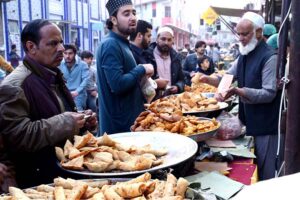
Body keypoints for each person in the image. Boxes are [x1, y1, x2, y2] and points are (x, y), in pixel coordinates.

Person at [0, 19, 97, 188]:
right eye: (53, 43)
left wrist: (82, 123)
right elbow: (18, 136)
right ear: (31, 47)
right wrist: (66, 122)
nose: (61, 48)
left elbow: (56, 116)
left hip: (65, 173)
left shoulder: (52, 74)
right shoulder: (15, 85)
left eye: (60, 42)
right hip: (40, 182)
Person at [197, 12, 281, 181]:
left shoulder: (270, 57)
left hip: (266, 124)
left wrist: (239, 91)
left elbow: (269, 93)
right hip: (250, 120)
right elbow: (227, 78)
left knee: (266, 174)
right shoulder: (243, 54)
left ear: (258, 32)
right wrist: (208, 79)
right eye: (239, 34)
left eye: (245, 34)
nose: (240, 38)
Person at [96, 0, 154, 135]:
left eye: (134, 13)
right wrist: (141, 69)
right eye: (126, 14)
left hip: (129, 127)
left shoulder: (122, 43)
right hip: (118, 132)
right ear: (114, 20)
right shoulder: (110, 44)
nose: (133, 17)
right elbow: (118, 85)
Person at [145, 26, 185, 97]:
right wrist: (154, 84)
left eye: (169, 40)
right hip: (152, 100)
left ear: (173, 41)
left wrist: (177, 87)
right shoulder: (147, 55)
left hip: (171, 100)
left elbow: (182, 80)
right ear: (157, 39)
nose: (166, 42)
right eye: (163, 39)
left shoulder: (176, 58)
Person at [59, 44, 90, 111]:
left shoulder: (83, 64)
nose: (67, 56)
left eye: (70, 53)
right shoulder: (59, 64)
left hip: (79, 94)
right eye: (65, 53)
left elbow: (86, 80)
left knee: (78, 113)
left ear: (75, 54)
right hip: (64, 93)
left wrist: (77, 91)